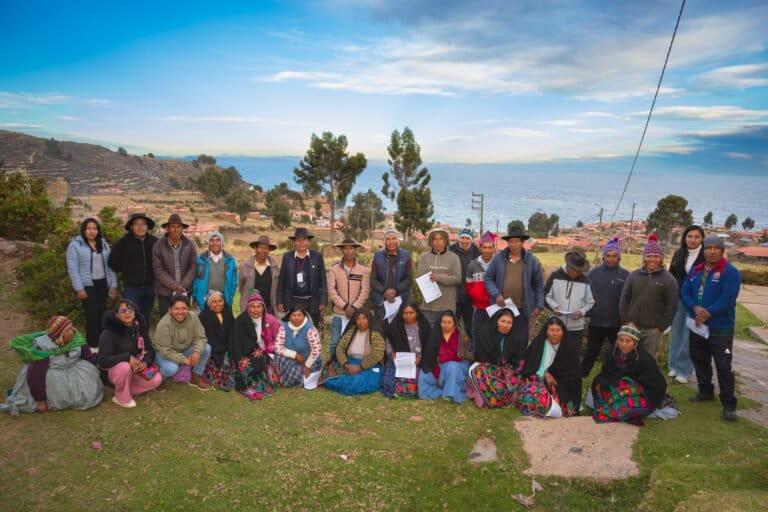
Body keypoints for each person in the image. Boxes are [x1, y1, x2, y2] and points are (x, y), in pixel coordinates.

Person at [682, 235, 741, 421]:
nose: (712, 251)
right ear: (704, 250)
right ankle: (705, 392)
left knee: (723, 365)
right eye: (709, 247)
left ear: (722, 251)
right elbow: (685, 292)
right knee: (699, 359)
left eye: (717, 248)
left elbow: (728, 298)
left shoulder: (730, 272)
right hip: (697, 325)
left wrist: (707, 311)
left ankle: (729, 404)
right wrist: (695, 308)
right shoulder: (696, 270)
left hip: (720, 328)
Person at [1, 316, 103, 414]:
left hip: (73, 369)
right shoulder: (44, 348)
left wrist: (100, 360)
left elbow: (88, 357)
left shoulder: (76, 340)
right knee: (51, 383)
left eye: (72, 328)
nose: (73, 332)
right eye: (68, 330)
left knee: (90, 390)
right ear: (59, 335)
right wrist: (40, 400)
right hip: (52, 377)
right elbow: (35, 375)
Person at [590, 324, 667, 425]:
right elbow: (606, 372)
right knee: (599, 382)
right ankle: (610, 405)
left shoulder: (645, 360)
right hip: (618, 385)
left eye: (628, 341)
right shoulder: (613, 353)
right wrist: (617, 382)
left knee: (626, 394)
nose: (623, 344)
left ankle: (622, 411)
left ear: (635, 343)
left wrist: (626, 383)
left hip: (642, 392)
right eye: (620, 340)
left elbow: (656, 385)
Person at [619, 234, 678, 359]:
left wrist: (660, 327)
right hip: (631, 326)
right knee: (628, 356)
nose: (652, 259)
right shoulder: (633, 276)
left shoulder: (669, 280)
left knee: (648, 360)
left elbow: (671, 307)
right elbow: (624, 299)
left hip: (653, 330)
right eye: (649, 256)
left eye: (656, 256)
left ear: (661, 258)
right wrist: (626, 321)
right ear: (644, 258)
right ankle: (627, 378)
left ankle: (644, 379)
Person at [484, 226, 544, 343]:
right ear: (507, 242)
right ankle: (499, 361)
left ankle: (518, 361)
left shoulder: (531, 260)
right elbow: (488, 277)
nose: (514, 244)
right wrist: (496, 295)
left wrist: (540, 304)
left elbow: (538, 284)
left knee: (520, 339)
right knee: (499, 339)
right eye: (511, 241)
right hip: (501, 308)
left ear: (522, 242)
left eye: (517, 241)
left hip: (522, 308)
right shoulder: (499, 258)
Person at [98, 299, 162, 408]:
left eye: (130, 310)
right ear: (117, 315)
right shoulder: (108, 333)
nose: (127, 313)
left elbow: (149, 349)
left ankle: (126, 388)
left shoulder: (139, 329)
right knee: (124, 367)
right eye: (123, 311)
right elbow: (103, 361)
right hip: (115, 372)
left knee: (157, 379)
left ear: (135, 313)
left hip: (135, 370)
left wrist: (145, 363)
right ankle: (121, 397)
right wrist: (127, 358)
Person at [66, 218, 118, 348]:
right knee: (92, 314)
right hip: (87, 285)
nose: (92, 231)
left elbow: (110, 266)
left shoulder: (103, 244)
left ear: (98, 231)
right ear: (84, 230)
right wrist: (79, 288)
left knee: (103, 313)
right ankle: (93, 345)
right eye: (89, 228)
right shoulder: (75, 245)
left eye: (95, 228)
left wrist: (113, 285)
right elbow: (72, 268)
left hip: (102, 283)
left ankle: (103, 342)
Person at [582, 237, 629, 376]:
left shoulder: (626, 275)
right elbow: (586, 295)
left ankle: (619, 373)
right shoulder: (593, 274)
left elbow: (628, 298)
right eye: (608, 256)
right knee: (591, 349)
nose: (611, 258)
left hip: (616, 321)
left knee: (618, 350)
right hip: (597, 319)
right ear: (603, 256)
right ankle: (583, 373)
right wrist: (589, 312)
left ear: (619, 257)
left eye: (615, 256)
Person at [518, 317, 581, 417]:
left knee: (565, 406)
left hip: (562, 384)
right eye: (551, 330)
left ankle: (550, 405)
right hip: (538, 380)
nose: (554, 334)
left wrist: (556, 381)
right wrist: (545, 373)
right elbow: (529, 367)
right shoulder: (538, 344)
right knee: (531, 391)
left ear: (563, 332)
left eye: (557, 330)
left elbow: (574, 375)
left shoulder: (570, 347)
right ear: (546, 331)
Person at [466, 309, 527, 409]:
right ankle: (490, 398)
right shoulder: (486, 334)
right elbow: (481, 357)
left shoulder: (516, 337)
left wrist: (506, 369)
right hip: (487, 368)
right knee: (480, 371)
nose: (505, 325)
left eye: (509, 323)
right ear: (496, 321)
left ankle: (499, 398)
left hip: (505, 372)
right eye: (503, 321)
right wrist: (496, 368)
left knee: (515, 379)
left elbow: (518, 362)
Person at [667, 225, 705, 384]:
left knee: (690, 336)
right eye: (690, 236)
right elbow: (672, 275)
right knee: (676, 333)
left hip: (697, 302)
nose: (693, 240)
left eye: (697, 237)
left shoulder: (705, 255)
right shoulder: (679, 253)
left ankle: (684, 370)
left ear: (702, 239)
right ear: (685, 238)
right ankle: (673, 365)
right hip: (679, 299)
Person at [229, 292, 281, 400]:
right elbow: (235, 344)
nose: (255, 310)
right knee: (247, 367)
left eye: (258, 307)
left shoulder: (267, 319)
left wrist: (266, 350)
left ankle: (261, 382)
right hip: (242, 354)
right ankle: (248, 387)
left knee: (265, 365)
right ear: (248, 308)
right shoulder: (240, 321)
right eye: (252, 307)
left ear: (263, 307)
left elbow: (278, 337)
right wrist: (240, 361)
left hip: (258, 351)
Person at [108, 212, 158, 325]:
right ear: (131, 227)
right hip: (131, 288)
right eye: (137, 224)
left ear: (147, 226)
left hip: (150, 287)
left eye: (143, 224)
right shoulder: (122, 243)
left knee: (146, 315)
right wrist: (127, 270)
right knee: (129, 316)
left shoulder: (155, 242)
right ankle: (131, 340)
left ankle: (144, 339)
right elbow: (112, 262)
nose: (140, 227)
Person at [152, 294, 211, 389]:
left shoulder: (193, 317)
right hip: (164, 353)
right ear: (170, 310)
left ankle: (196, 376)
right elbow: (165, 350)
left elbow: (201, 337)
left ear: (188, 309)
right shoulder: (164, 324)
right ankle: (158, 376)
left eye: (184, 308)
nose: (180, 312)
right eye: (176, 308)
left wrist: (196, 352)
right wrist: (184, 360)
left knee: (207, 348)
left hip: (183, 349)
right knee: (172, 369)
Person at [322, 309, 385, 396]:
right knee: (327, 378)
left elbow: (377, 354)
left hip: (368, 365)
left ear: (369, 319)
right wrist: (345, 364)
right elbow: (340, 349)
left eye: (364, 318)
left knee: (358, 383)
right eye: (358, 319)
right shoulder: (351, 331)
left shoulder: (375, 333)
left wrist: (360, 367)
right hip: (350, 362)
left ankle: (349, 385)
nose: (361, 321)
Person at [327, 237, 371, 361]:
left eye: (351, 248)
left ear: (355, 250)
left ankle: (349, 365)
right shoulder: (333, 269)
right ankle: (333, 365)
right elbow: (331, 291)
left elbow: (365, 291)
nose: (348, 251)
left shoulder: (363, 270)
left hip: (356, 314)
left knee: (352, 342)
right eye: (345, 248)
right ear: (342, 250)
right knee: (335, 342)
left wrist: (355, 307)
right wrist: (345, 307)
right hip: (338, 313)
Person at [276, 227, 327, 327]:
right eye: (298, 240)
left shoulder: (317, 257)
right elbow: (282, 280)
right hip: (292, 301)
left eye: (304, 240)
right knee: (292, 330)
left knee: (312, 330)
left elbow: (323, 280)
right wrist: (279, 300)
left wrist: (323, 299)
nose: (301, 243)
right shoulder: (287, 257)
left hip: (312, 301)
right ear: (294, 242)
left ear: (309, 242)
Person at [380, 301, 431, 399]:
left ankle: (407, 392)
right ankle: (401, 393)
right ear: (401, 313)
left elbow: (429, 346)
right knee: (388, 382)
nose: (408, 316)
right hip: (399, 361)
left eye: (411, 312)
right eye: (405, 313)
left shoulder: (424, 326)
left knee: (420, 382)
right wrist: (392, 354)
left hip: (419, 362)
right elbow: (389, 342)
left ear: (417, 313)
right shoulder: (395, 326)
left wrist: (421, 358)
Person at [418, 310, 471, 403]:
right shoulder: (435, 334)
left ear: (454, 323)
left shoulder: (461, 335)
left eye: (449, 322)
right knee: (424, 372)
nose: (446, 325)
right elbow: (430, 354)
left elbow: (464, 356)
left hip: (457, 365)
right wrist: (434, 365)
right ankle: (440, 392)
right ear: (440, 323)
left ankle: (450, 394)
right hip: (438, 363)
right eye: (444, 322)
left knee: (451, 366)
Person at [544, 249, 594, 344]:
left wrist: (581, 312)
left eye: (581, 270)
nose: (580, 273)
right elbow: (546, 296)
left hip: (576, 330)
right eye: (577, 270)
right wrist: (554, 306)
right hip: (555, 327)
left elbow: (591, 302)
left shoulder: (586, 281)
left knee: (572, 357)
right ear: (569, 267)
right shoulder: (555, 277)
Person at [152, 214, 197, 318]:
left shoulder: (189, 245)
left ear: (182, 229)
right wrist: (176, 286)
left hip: (185, 291)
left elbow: (193, 267)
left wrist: (183, 285)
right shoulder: (158, 246)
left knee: (183, 319)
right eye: (172, 226)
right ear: (167, 228)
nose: (175, 230)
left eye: (178, 227)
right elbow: (158, 270)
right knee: (166, 320)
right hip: (165, 292)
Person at [417, 229, 463, 327]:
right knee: (428, 339)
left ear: (445, 241)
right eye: (435, 239)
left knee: (446, 339)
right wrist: (446, 276)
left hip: (447, 307)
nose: (438, 242)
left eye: (441, 239)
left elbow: (457, 279)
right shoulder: (423, 257)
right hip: (428, 307)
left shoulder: (454, 257)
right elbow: (422, 278)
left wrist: (438, 277)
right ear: (431, 241)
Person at [273, 305, 322, 388]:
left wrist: (307, 366)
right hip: (291, 359)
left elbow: (316, 350)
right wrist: (295, 355)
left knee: (296, 374)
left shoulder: (310, 329)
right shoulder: (283, 327)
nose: (296, 318)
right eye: (294, 315)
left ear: (304, 316)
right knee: (278, 358)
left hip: (308, 361)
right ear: (289, 316)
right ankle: (288, 378)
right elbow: (277, 347)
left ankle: (288, 379)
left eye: (299, 315)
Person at [370, 228, 413, 321]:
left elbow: (409, 279)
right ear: (384, 241)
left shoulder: (406, 255)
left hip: (400, 300)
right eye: (388, 239)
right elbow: (373, 279)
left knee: (400, 331)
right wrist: (384, 291)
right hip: (381, 301)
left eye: (393, 238)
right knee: (381, 331)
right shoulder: (377, 256)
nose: (391, 242)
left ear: (397, 240)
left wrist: (396, 290)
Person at [198, 290, 236, 391]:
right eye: (214, 302)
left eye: (220, 301)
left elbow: (233, 332)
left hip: (226, 348)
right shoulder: (203, 316)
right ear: (209, 304)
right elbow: (203, 337)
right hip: (212, 349)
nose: (218, 304)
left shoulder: (228, 312)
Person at [464, 231, 497, 345]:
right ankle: (477, 356)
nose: (487, 250)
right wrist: (475, 295)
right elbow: (469, 285)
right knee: (477, 332)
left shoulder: (499, 264)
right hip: (478, 307)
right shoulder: (472, 265)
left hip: (495, 306)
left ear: (494, 248)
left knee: (493, 333)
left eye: (490, 247)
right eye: (484, 247)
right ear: (480, 248)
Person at [191, 231, 237, 311]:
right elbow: (195, 280)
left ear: (222, 243)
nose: (215, 243)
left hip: (223, 300)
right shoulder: (200, 260)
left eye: (218, 240)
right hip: (204, 299)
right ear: (208, 243)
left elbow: (234, 282)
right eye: (211, 240)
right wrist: (195, 296)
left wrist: (229, 298)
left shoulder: (230, 261)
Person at [238, 236, 280, 315]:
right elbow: (241, 288)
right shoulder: (245, 266)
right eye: (260, 248)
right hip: (250, 309)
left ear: (269, 250)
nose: (263, 251)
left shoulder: (274, 267)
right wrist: (250, 291)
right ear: (255, 248)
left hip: (269, 309)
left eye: (266, 248)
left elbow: (277, 287)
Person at [450, 228, 480, 336]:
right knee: (452, 323)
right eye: (462, 238)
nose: (465, 241)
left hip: (470, 296)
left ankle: (472, 347)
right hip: (454, 294)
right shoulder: (451, 250)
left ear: (471, 240)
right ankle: (453, 347)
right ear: (458, 239)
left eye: (468, 238)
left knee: (470, 325)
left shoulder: (477, 252)